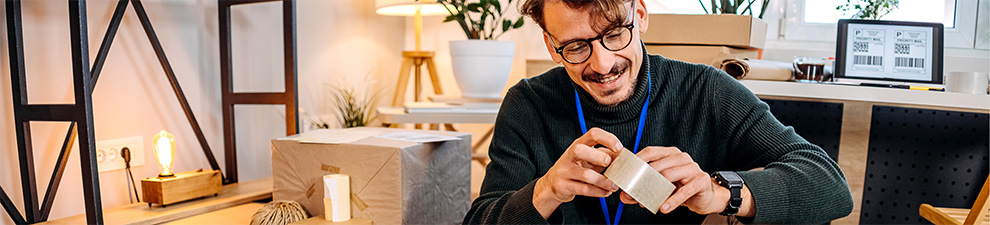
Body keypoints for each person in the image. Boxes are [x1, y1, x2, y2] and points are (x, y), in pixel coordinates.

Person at [462, 0, 854, 224]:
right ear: (551, 45)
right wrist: (545, 192)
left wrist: (720, 193)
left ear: (641, 15)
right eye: (576, 47)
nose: (602, 64)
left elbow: (829, 185)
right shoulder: (529, 104)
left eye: (615, 34)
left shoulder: (706, 91)